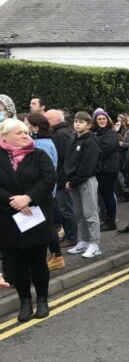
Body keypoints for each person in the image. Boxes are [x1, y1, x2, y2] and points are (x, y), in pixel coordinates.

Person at [0, 118, 57, 321]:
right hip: (7, 218)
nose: (25, 136)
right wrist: (13, 201)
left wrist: (28, 198)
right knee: (17, 265)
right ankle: (25, 301)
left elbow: (49, 179)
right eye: (19, 133)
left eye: (26, 132)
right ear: (4, 136)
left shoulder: (38, 154)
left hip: (35, 216)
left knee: (37, 261)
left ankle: (42, 299)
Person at [25, 113, 64, 270]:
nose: (24, 127)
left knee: (46, 226)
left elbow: (45, 171)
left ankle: (56, 256)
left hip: (42, 193)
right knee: (46, 224)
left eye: (26, 124)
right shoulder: (42, 142)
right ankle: (55, 256)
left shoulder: (41, 144)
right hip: (42, 191)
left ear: (35, 127)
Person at [64, 112, 103, 259]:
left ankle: (95, 244)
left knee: (90, 214)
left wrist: (74, 181)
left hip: (86, 180)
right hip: (74, 181)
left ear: (89, 124)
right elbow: (69, 162)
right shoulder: (74, 139)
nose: (77, 124)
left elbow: (87, 165)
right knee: (79, 214)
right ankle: (85, 241)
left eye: (81, 122)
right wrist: (69, 180)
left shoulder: (90, 141)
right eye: (76, 121)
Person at [44, 110, 76, 248]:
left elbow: (65, 159)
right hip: (60, 179)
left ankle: (72, 237)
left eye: (47, 119)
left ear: (55, 120)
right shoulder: (59, 133)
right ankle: (69, 235)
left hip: (62, 179)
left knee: (66, 209)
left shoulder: (61, 135)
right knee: (64, 209)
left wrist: (62, 179)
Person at [91, 109, 120, 231]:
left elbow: (105, 150)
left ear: (107, 120)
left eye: (103, 119)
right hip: (100, 169)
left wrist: (91, 155)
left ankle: (111, 221)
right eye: (99, 119)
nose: (102, 121)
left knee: (108, 195)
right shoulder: (96, 133)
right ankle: (107, 219)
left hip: (109, 169)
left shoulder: (111, 133)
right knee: (103, 195)